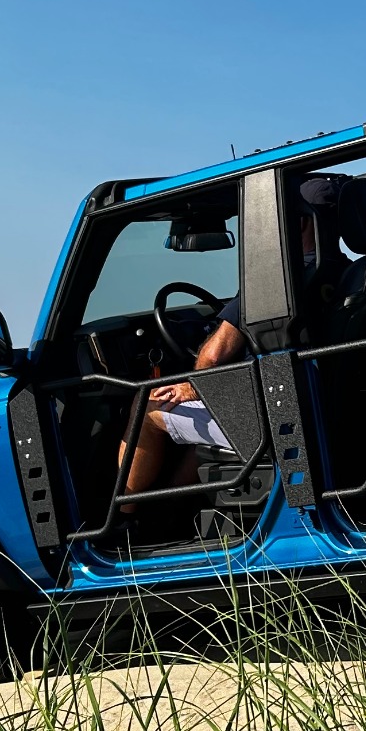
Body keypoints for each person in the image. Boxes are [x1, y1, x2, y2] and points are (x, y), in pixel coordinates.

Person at [116, 192, 336, 512]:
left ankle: (124, 522)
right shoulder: (347, 274)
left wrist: (191, 388)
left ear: (301, 222)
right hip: (318, 405)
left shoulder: (276, 285)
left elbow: (214, 358)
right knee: (212, 416)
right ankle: (171, 512)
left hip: (276, 415)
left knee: (146, 405)